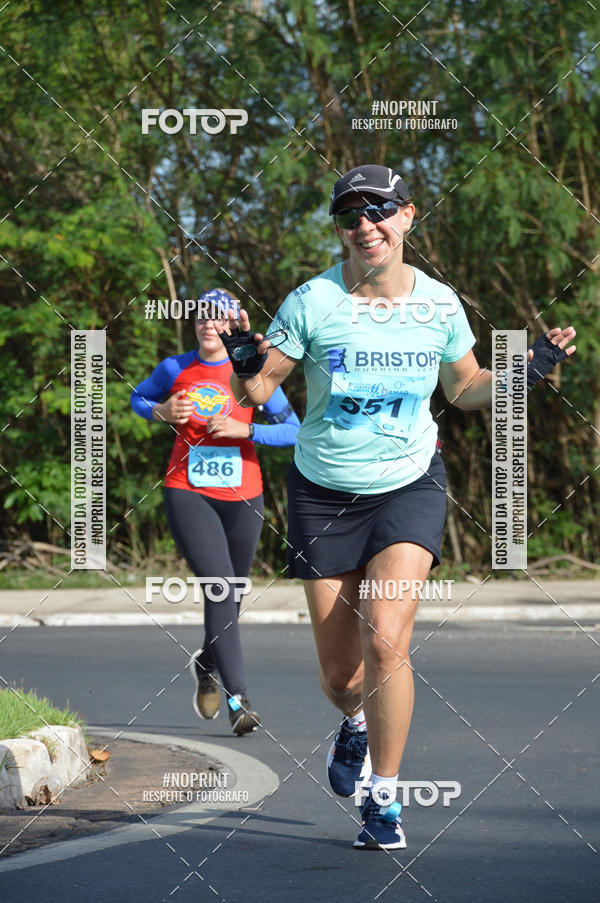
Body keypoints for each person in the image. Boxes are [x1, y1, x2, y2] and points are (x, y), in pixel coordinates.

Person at [216, 164, 577, 845]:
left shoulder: (438, 303)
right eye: (350, 216)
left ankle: (384, 797)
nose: (365, 226)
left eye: (379, 210)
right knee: (341, 672)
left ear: (407, 217)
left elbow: (465, 386)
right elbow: (261, 392)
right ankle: (352, 722)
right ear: (340, 230)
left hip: (409, 483)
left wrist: (527, 371)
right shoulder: (312, 301)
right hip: (324, 492)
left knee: (388, 639)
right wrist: (244, 362)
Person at [130, 288, 300, 735]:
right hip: (188, 490)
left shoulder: (249, 372)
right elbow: (138, 399)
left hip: (245, 495)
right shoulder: (175, 367)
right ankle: (239, 699)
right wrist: (162, 410)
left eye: (220, 317)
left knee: (231, 597)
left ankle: (206, 663)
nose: (210, 324)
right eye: (203, 316)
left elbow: (295, 431)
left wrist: (246, 428)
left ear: (232, 325)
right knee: (221, 589)